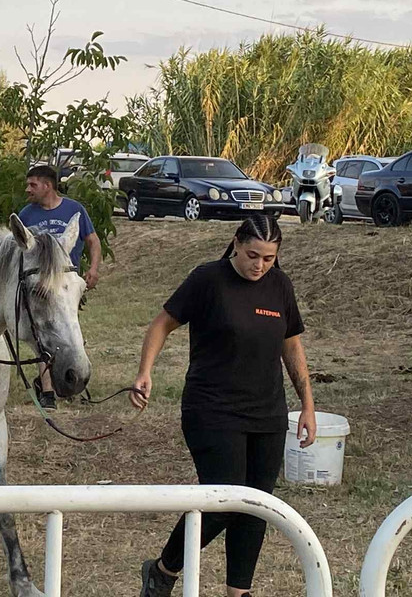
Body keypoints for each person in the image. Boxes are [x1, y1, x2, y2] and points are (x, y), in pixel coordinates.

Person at [130, 214, 316, 597]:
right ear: (235, 243)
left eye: (268, 258)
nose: (259, 266)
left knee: (257, 505)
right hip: (211, 409)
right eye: (253, 255)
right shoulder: (207, 279)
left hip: (267, 414)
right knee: (224, 500)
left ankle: (238, 591)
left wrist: (308, 404)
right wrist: (145, 371)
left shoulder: (280, 286)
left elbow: (291, 345)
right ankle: (163, 570)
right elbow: (161, 324)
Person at [18, 164, 101, 410]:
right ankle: (47, 391)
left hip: (65, 286)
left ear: (48, 185)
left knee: (70, 332)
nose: (28, 189)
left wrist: (94, 268)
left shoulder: (74, 209)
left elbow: (93, 241)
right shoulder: (26, 215)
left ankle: (75, 380)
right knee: (42, 335)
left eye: (33, 184)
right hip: (42, 288)